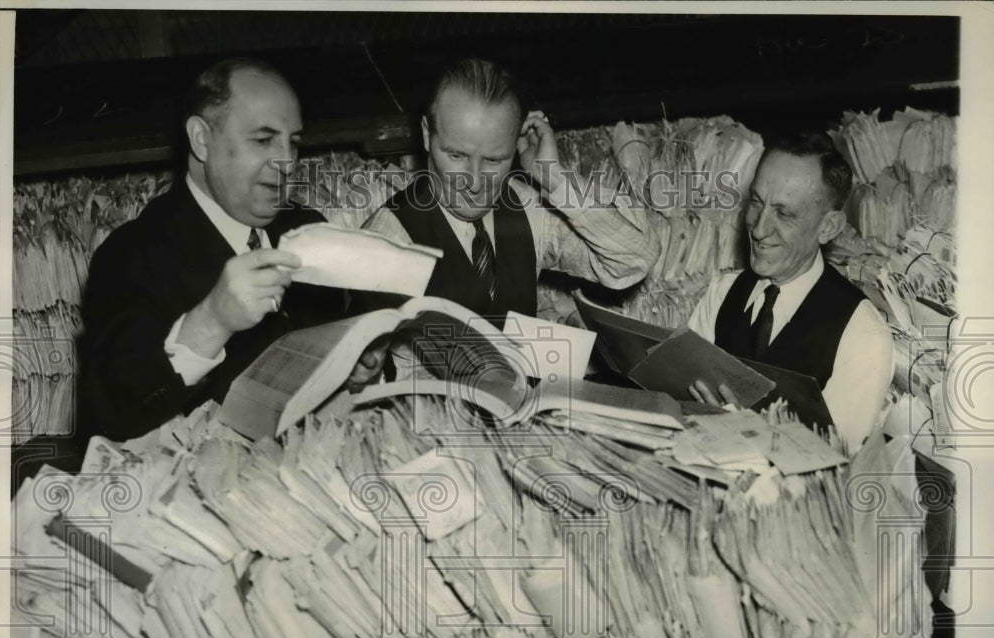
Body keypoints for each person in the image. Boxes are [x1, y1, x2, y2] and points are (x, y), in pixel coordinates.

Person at [79, 58, 383, 441]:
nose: (287, 162)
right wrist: (210, 322)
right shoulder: (128, 255)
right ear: (202, 140)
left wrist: (357, 365)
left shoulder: (306, 225)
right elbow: (110, 415)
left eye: (294, 142)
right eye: (262, 140)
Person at [359, 57, 661, 326]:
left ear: (516, 145)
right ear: (427, 135)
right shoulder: (388, 238)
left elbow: (633, 260)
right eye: (456, 156)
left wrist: (554, 178)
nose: (474, 182)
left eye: (494, 160)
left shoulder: (527, 207)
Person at [686, 131, 893, 450]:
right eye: (756, 201)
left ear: (829, 228)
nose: (758, 227)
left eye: (784, 213)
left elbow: (836, 467)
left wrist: (743, 431)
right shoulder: (723, 292)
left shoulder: (862, 334)